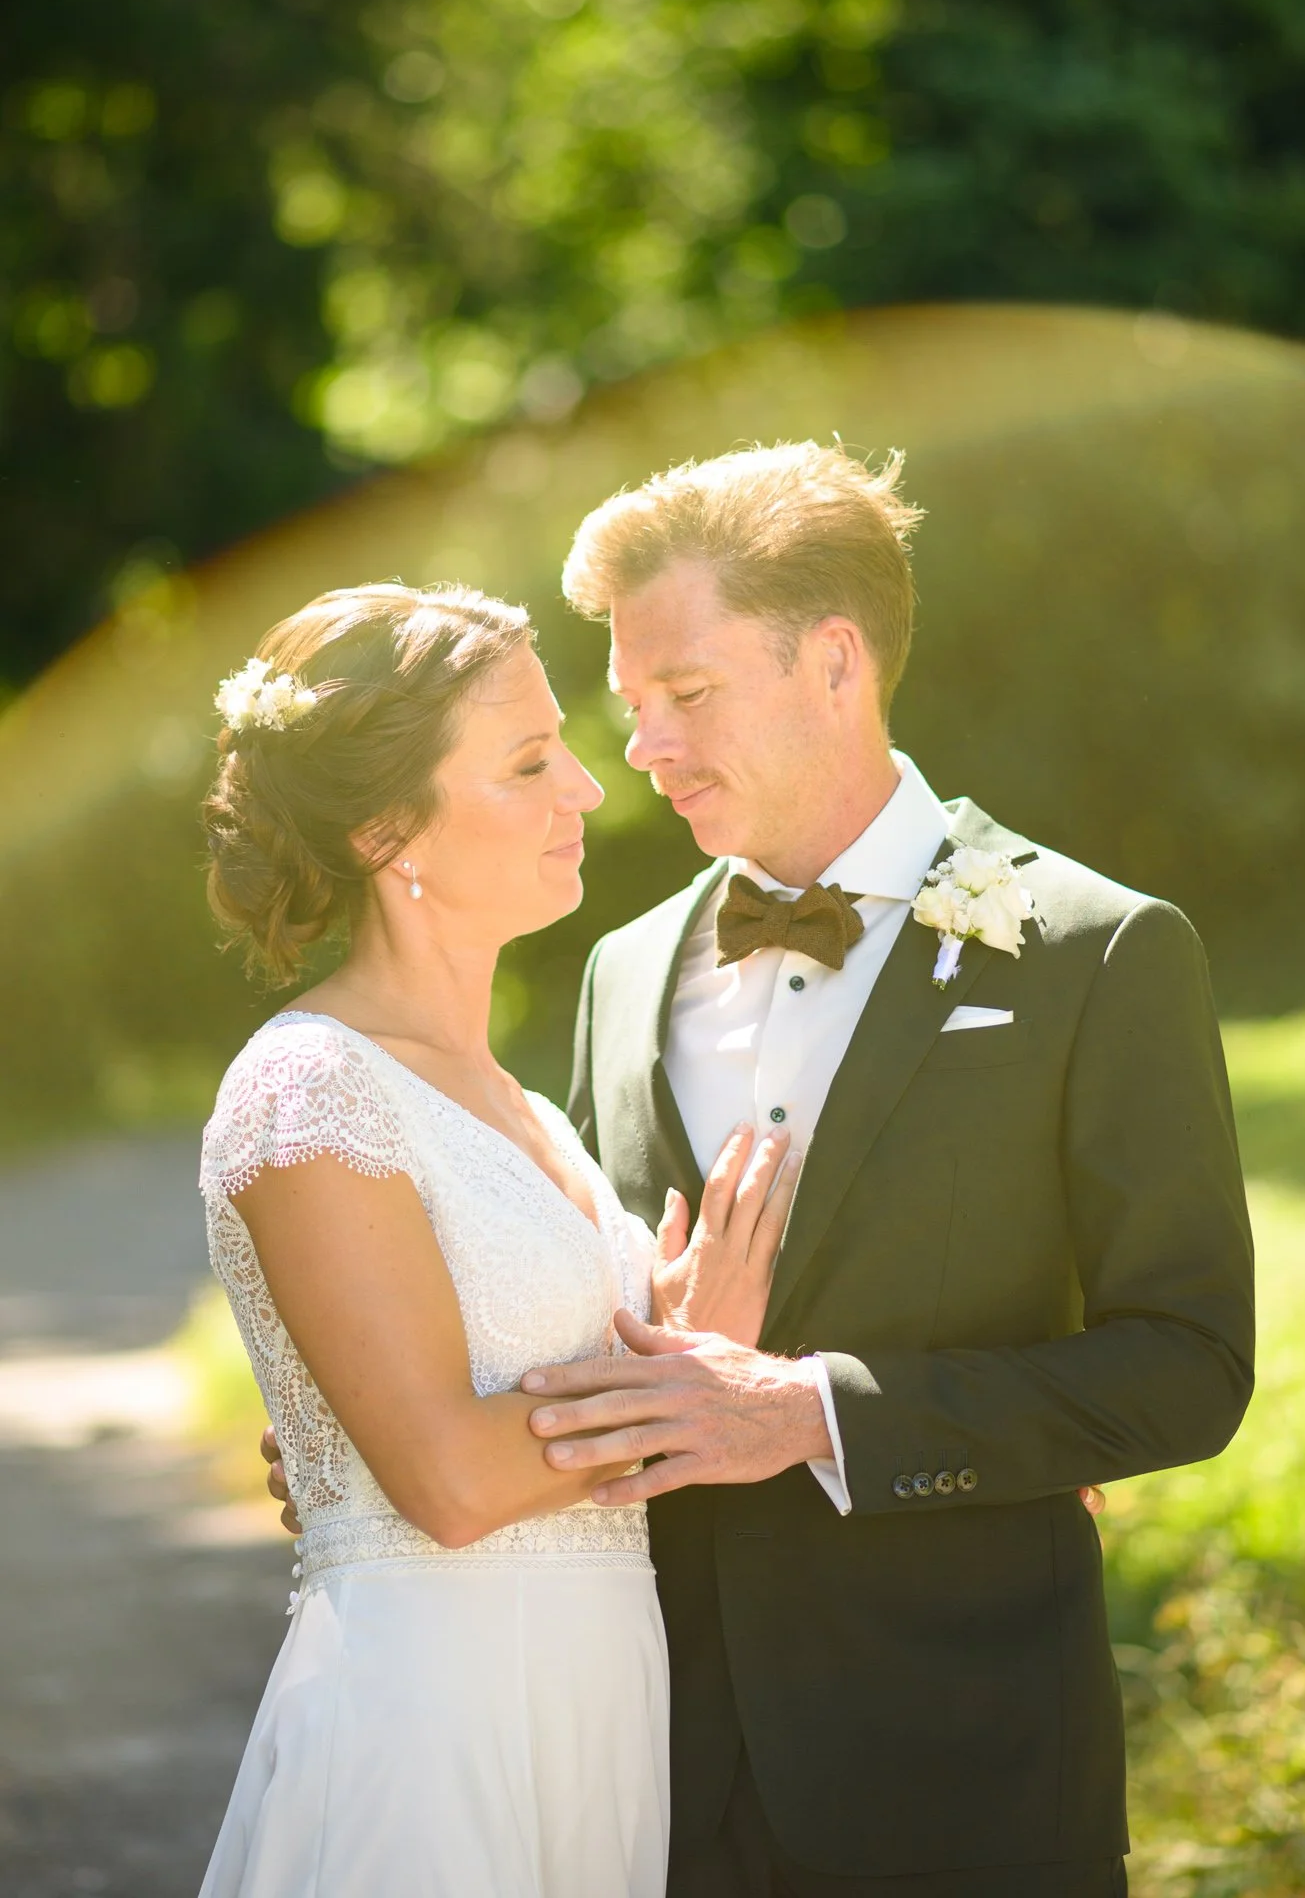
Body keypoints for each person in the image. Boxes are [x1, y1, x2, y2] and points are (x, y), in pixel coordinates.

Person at [507, 441, 1256, 1896]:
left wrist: (814, 1414)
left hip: (963, 1768)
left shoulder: (1101, 953)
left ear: (835, 662)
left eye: (688, 694)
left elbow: (1188, 1366)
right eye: (631, 708)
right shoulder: (620, 968)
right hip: (649, 1765)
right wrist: (387, 1420)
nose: (644, 749)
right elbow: (593, 1312)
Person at [196, 582, 799, 1898]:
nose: (586, 789)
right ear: (382, 828)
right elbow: (451, 1485)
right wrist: (691, 1364)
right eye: (530, 762)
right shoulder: (307, 1091)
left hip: (599, 1713)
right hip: (433, 1726)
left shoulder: (528, 1108)